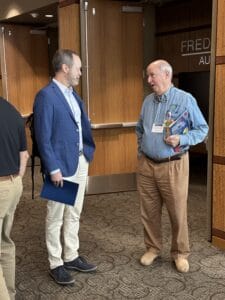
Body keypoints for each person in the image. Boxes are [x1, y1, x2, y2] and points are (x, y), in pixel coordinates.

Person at [136, 59, 208, 273]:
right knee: (148, 211)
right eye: (148, 76)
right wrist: (142, 152)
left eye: (152, 75)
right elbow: (140, 129)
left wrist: (182, 140)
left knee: (177, 213)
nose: (149, 80)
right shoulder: (148, 101)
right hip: (147, 165)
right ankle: (152, 248)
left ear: (166, 75)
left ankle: (180, 253)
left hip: (173, 165)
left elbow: (202, 129)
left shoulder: (185, 100)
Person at [33, 49, 96, 286]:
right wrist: (53, 168)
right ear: (65, 68)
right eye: (79, 68)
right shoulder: (46, 96)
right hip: (60, 167)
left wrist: (87, 154)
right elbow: (43, 137)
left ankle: (71, 255)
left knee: (75, 212)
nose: (81, 72)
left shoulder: (73, 94)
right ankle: (56, 263)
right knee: (56, 216)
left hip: (80, 162)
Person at [0, 97, 29, 299]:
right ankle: (9, 294)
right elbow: (24, 155)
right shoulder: (12, 110)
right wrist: (16, 180)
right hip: (13, 185)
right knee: (4, 244)